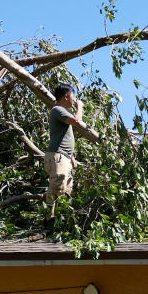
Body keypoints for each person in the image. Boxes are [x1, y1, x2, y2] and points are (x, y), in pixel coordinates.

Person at [45, 83, 84, 222]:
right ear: (66, 96)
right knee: (56, 188)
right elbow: (77, 121)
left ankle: (60, 222)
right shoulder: (57, 110)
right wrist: (80, 107)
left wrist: (71, 156)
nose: (74, 100)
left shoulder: (62, 112)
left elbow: (63, 136)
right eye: (73, 97)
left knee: (66, 190)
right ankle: (48, 221)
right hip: (58, 156)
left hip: (64, 157)